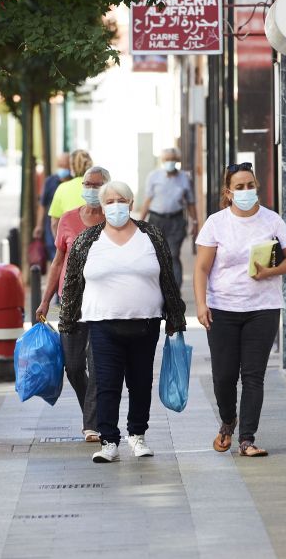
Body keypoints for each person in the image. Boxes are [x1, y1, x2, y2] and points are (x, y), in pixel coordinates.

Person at [59, 180, 186, 463]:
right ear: (102, 208)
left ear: (131, 203)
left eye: (121, 200)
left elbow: (167, 277)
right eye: (110, 201)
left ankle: (137, 436)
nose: (116, 206)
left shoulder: (151, 235)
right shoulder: (87, 240)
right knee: (106, 384)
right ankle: (108, 441)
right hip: (103, 325)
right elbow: (71, 283)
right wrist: (67, 321)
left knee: (140, 383)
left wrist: (176, 317)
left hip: (145, 323)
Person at [193, 162, 286, 458]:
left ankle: (247, 439)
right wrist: (201, 304)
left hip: (262, 309)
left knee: (253, 375)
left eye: (250, 185)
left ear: (257, 187)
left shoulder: (272, 221)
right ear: (228, 193)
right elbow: (201, 268)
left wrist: (269, 272)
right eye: (239, 187)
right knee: (224, 377)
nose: (246, 191)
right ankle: (228, 420)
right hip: (223, 308)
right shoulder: (216, 223)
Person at [35, 166, 110, 442]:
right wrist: (45, 301)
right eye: (88, 183)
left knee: (98, 362)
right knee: (74, 366)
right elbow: (57, 262)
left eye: (97, 185)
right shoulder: (67, 219)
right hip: (70, 301)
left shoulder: (113, 220)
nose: (91, 189)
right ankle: (95, 412)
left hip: (103, 302)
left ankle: (91, 423)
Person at [137, 147, 198, 288]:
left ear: (177, 160)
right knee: (157, 255)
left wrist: (195, 222)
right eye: (167, 159)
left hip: (176, 221)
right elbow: (147, 200)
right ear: (162, 161)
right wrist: (139, 222)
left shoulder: (184, 178)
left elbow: (191, 202)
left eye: (173, 159)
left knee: (173, 254)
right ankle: (160, 288)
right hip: (156, 220)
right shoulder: (153, 176)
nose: (170, 162)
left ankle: (175, 290)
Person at [33, 152, 71, 262]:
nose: (62, 169)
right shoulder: (50, 181)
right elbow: (42, 204)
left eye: (64, 165)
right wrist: (39, 226)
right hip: (51, 227)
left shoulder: (74, 182)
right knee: (54, 257)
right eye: (60, 165)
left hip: (68, 228)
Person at [47, 149, 93, 237]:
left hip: (71, 245)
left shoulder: (62, 188)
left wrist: (60, 245)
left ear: (71, 167)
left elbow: (54, 223)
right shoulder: (101, 187)